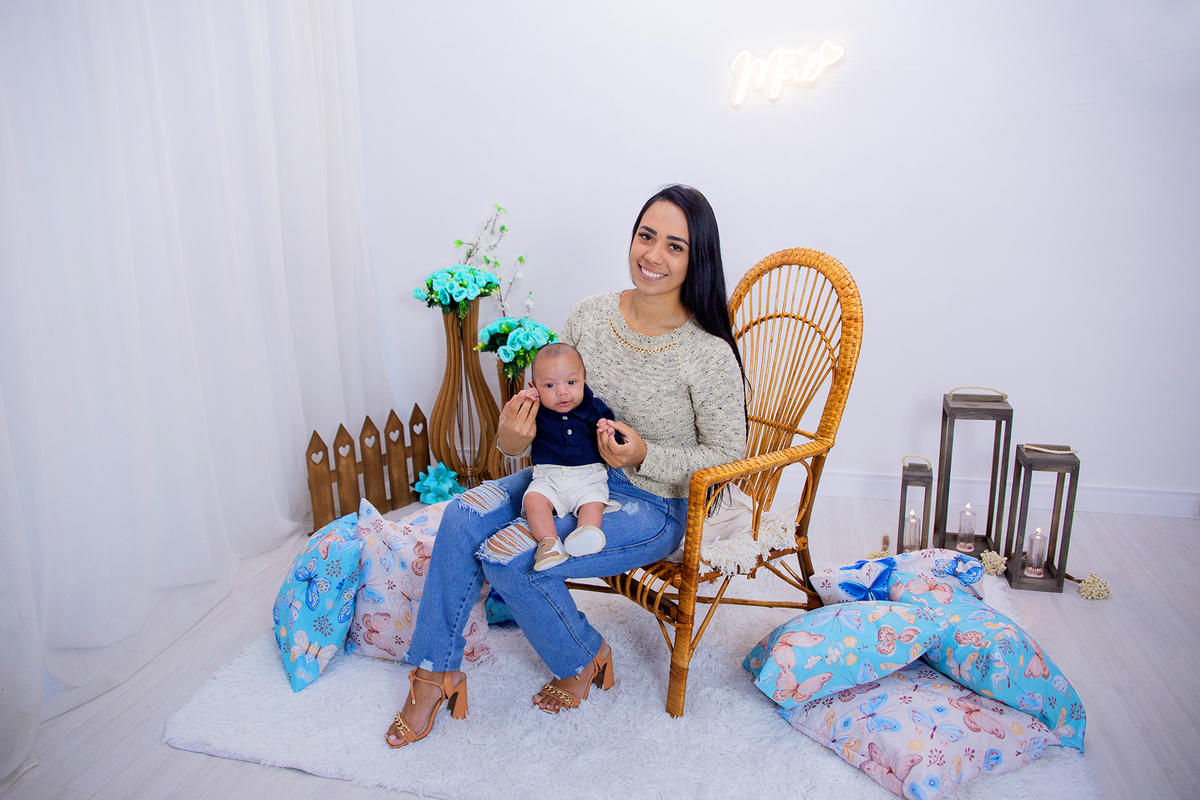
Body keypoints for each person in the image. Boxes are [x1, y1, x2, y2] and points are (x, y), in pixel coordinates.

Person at [386, 184, 748, 747]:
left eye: (674, 246)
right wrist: (512, 435)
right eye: (646, 236)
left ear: (696, 257)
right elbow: (546, 411)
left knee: (513, 557)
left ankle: (582, 656)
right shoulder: (590, 315)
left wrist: (645, 454)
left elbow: (729, 456)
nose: (653, 255)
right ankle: (435, 673)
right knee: (461, 515)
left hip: (651, 501)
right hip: (561, 474)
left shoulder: (707, 353)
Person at [516, 342, 620, 572]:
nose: (562, 392)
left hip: (588, 476)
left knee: (593, 502)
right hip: (548, 477)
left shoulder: (595, 409)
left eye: (571, 383)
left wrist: (609, 431)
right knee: (533, 500)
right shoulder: (536, 409)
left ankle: (586, 532)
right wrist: (526, 399)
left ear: (584, 380)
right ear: (535, 388)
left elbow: (615, 438)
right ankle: (549, 543)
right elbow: (515, 425)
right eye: (550, 385)